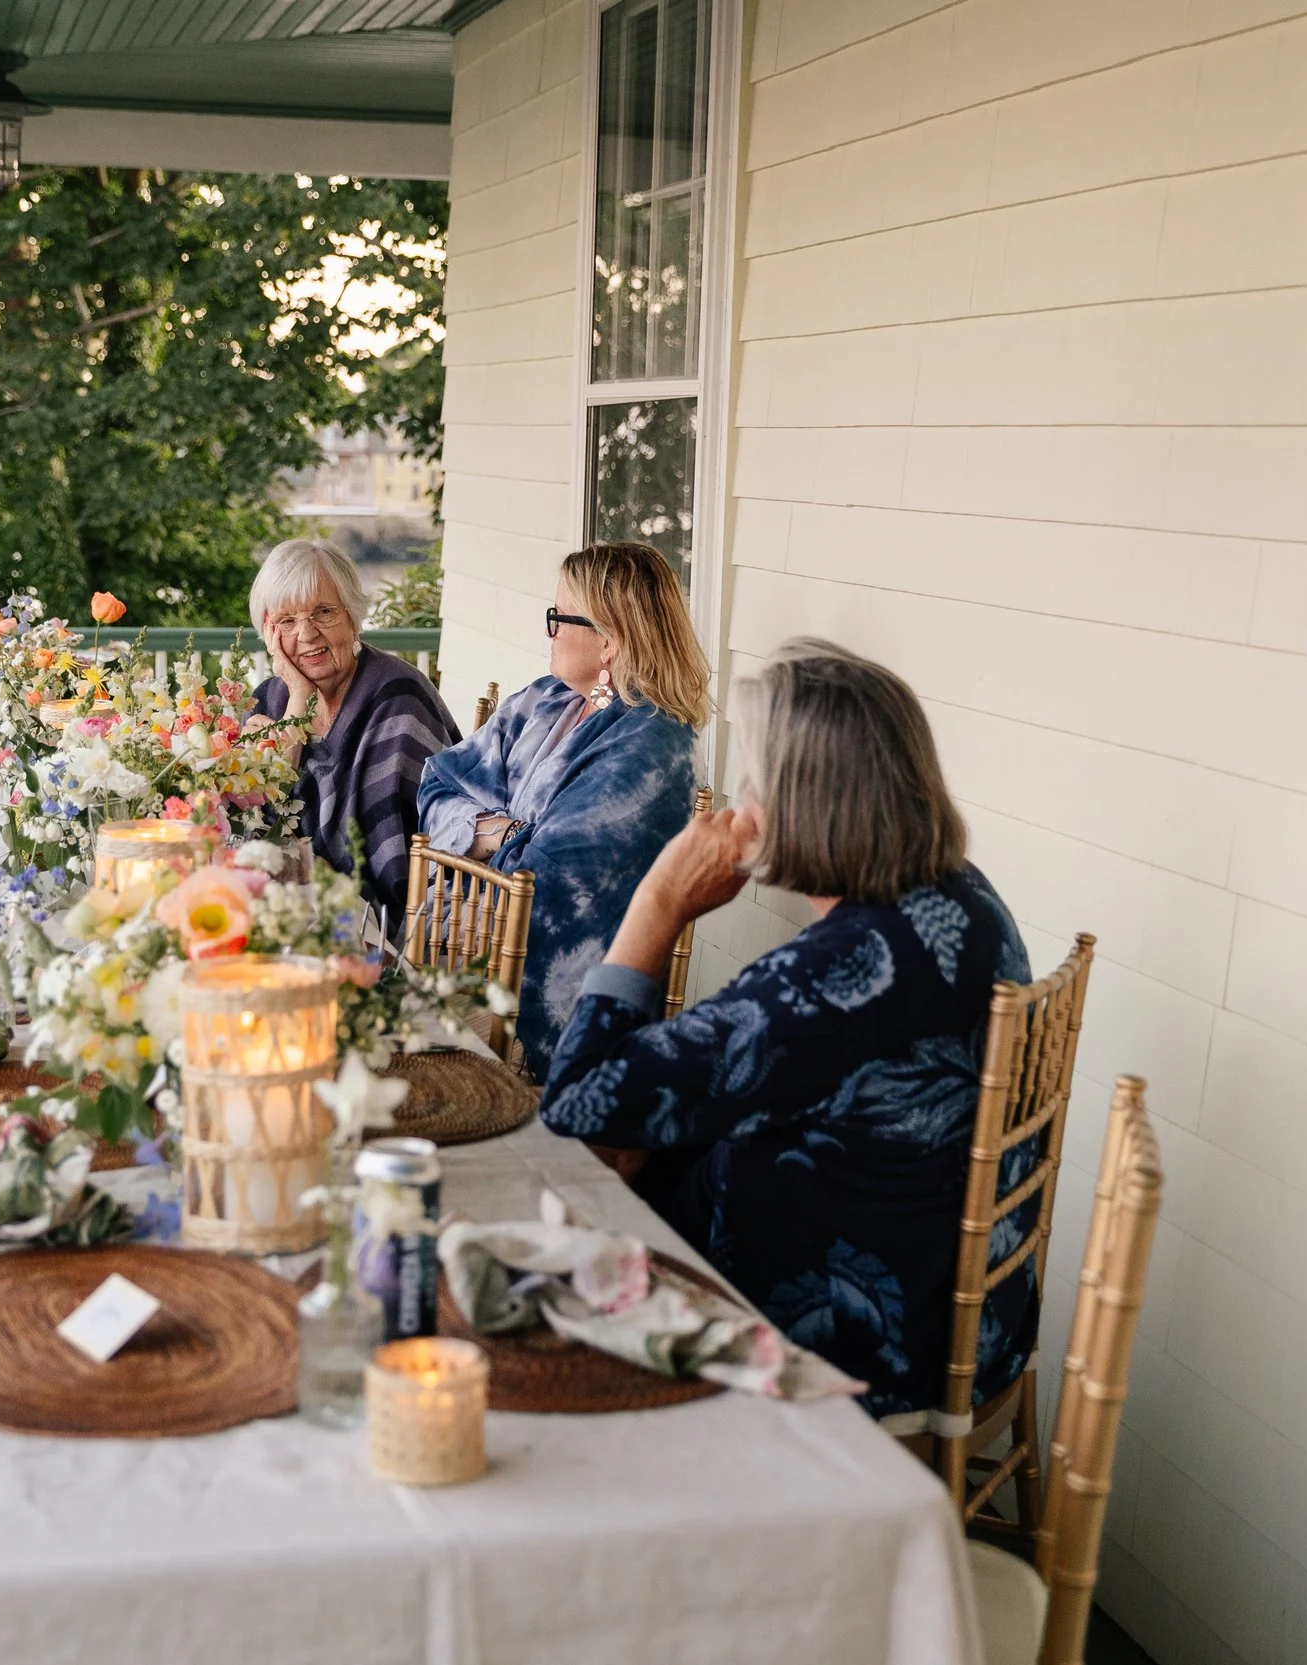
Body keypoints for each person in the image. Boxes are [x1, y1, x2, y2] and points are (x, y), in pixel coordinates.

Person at [533, 639, 1036, 1423]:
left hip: (862, 1337)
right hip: (970, 1305)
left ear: (801, 802)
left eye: (751, 776)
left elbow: (577, 1101)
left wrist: (659, 898)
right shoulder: (959, 898)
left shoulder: (845, 971)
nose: (738, 801)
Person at [417, 543, 702, 1075]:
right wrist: (500, 830)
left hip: (547, 1006)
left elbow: (542, 877)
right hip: (466, 955)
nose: (548, 632)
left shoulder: (653, 746)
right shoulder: (543, 700)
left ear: (610, 639)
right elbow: (435, 783)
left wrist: (478, 837)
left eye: (558, 618)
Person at [249, 538, 460, 919]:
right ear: (269, 633)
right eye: (287, 621)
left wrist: (308, 869)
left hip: (381, 921)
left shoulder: (398, 698)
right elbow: (253, 823)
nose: (307, 634)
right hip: (286, 907)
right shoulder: (272, 699)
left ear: (352, 615)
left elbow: (398, 863)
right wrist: (299, 696)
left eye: (324, 612)